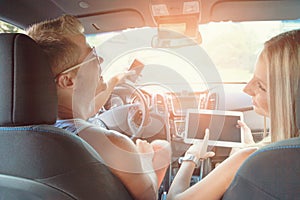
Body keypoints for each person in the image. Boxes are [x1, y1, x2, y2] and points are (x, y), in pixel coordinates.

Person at [26, 15, 171, 200]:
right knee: (162, 147)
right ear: (68, 80)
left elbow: (86, 111)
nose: (100, 60)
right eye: (92, 54)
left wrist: (112, 83)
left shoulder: (22, 134)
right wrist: (147, 159)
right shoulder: (110, 144)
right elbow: (149, 195)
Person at [166, 29, 300, 200]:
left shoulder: (250, 160)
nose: (246, 89)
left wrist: (191, 156)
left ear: (291, 97)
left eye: (261, 86)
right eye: (252, 77)